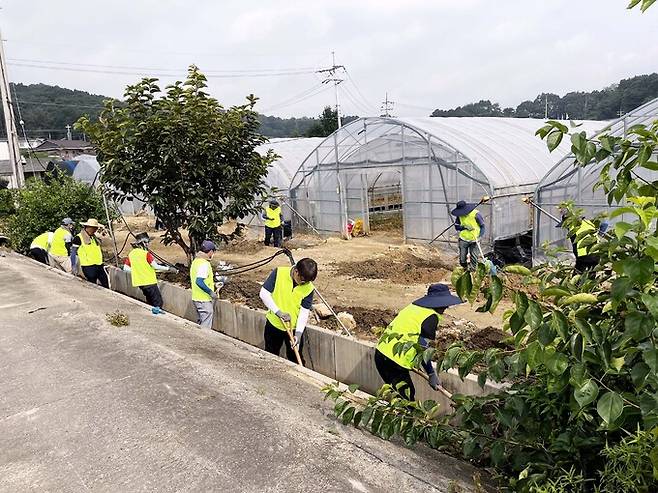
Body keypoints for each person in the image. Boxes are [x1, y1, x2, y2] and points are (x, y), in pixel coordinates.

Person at [375, 283, 462, 400]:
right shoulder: (431, 317)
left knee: (399, 395)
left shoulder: (413, 308)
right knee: (406, 399)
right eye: (444, 304)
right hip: (394, 361)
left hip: (381, 353)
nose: (445, 307)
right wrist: (431, 373)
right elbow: (423, 348)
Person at [259, 257, 317, 364]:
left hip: (293, 328)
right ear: (296, 271)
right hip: (274, 325)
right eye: (302, 280)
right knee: (271, 355)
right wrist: (278, 312)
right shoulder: (279, 273)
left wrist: (298, 334)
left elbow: (304, 312)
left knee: (295, 358)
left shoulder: (308, 288)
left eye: (306, 282)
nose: (303, 284)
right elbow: (264, 294)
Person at [123, 232, 176, 313]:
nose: (148, 244)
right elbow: (156, 267)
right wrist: (169, 269)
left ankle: (151, 314)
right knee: (158, 302)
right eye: (147, 242)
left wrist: (137, 271)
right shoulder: (146, 254)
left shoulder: (131, 254)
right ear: (143, 243)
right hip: (149, 282)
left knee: (150, 301)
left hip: (140, 283)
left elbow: (125, 268)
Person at [71, 218, 108, 288]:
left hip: (99, 265)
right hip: (88, 266)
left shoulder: (94, 238)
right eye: (93, 228)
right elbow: (73, 252)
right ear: (87, 227)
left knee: (105, 284)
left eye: (95, 228)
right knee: (92, 285)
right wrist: (73, 266)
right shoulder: (78, 238)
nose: (95, 230)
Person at [451, 200, 486, 271]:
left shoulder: (476, 214)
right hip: (463, 239)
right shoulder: (459, 216)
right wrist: (464, 227)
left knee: (474, 257)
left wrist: (480, 236)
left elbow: (482, 226)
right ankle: (465, 269)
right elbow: (457, 227)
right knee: (462, 259)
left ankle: (473, 272)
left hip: (474, 239)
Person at [190, 240, 217, 329]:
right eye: (213, 252)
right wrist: (211, 292)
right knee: (205, 325)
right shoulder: (204, 264)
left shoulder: (196, 261)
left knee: (200, 322)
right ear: (210, 252)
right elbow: (199, 281)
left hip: (196, 298)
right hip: (203, 300)